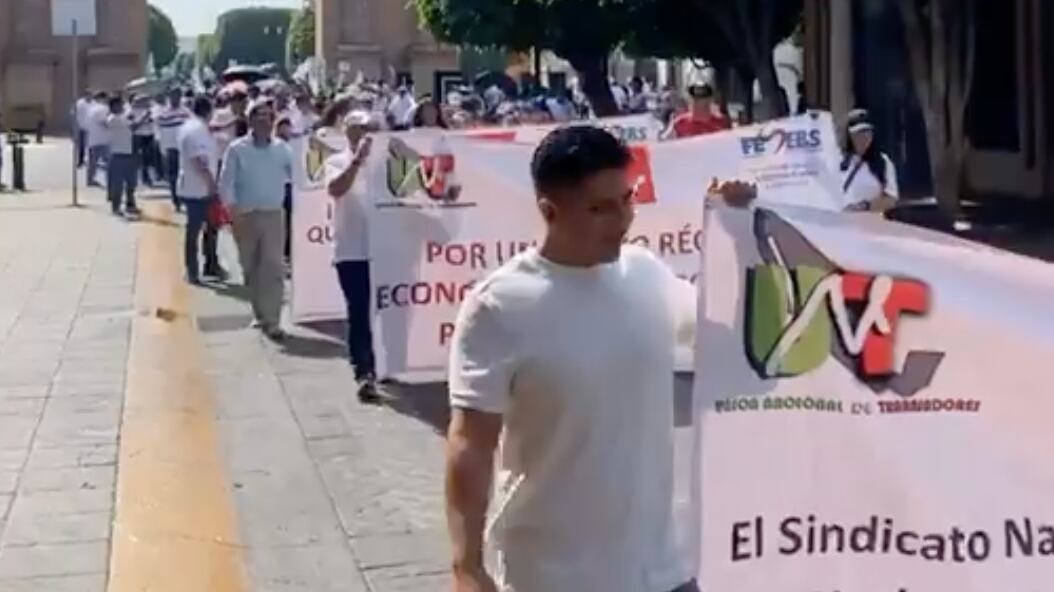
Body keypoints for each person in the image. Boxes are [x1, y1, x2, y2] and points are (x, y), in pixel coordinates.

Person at [445, 126, 699, 592]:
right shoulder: (499, 305)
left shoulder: (646, 274)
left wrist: (738, 226)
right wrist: (466, 565)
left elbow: (734, 333)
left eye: (627, 199)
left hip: (661, 570)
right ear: (549, 211)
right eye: (600, 208)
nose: (622, 219)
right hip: (552, 574)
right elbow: (471, 444)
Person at [219, 102, 293, 341]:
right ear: (250, 121)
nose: (264, 121)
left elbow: (298, 174)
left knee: (272, 267)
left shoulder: (283, 149)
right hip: (245, 215)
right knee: (250, 267)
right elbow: (226, 182)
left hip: (273, 214)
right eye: (259, 117)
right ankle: (260, 313)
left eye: (268, 117)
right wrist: (232, 211)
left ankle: (272, 320)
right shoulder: (237, 149)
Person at [324, 111, 379, 403]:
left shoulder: (386, 162)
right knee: (358, 312)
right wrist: (357, 161)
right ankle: (364, 372)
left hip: (384, 250)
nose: (366, 133)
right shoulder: (335, 161)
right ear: (347, 131)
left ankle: (385, 364)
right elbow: (336, 189)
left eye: (371, 128)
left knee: (385, 311)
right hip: (351, 250)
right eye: (359, 128)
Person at [178, 96, 224, 285]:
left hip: (204, 187)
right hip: (197, 189)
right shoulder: (193, 131)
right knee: (194, 230)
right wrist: (212, 184)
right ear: (208, 110)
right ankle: (192, 270)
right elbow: (198, 160)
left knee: (212, 228)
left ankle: (211, 265)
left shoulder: (200, 128)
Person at [839, 109, 898, 213]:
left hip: (872, 226)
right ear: (850, 136)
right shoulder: (838, 160)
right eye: (859, 133)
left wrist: (864, 206)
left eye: (868, 132)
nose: (864, 137)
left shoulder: (883, 161)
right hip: (843, 225)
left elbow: (891, 199)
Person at [104, 96, 140, 217]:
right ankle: (116, 207)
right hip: (118, 154)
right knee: (117, 184)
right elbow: (134, 126)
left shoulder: (122, 118)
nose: (122, 107)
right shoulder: (113, 119)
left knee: (131, 182)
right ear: (114, 106)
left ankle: (130, 204)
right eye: (119, 105)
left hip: (128, 153)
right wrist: (145, 117)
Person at [158, 89, 191, 212]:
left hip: (183, 148)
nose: (175, 99)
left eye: (177, 96)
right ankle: (176, 200)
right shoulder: (163, 113)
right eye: (172, 96)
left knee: (184, 174)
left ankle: (184, 197)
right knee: (173, 175)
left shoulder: (186, 112)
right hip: (170, 147)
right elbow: (160, 131)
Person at [663, 84, 730, 140]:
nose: (695, 102)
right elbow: (664, 144)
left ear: (709, 101)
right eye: (693, 98)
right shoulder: (679, 123)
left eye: (700, 98)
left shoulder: (722, 123)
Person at [86, 92, 111, 187]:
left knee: (93, 161)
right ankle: (110, 180)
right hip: (103, 139)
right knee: (109, 161)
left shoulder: (90, 108)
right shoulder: (103, 109)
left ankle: (90, 179)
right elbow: (104, 122)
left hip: (93, 138)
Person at [130, 95, 156, 187]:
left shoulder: (150, 110)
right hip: (138, 136)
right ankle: (141, 177)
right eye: (140, 101)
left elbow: (154, 121)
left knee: (148, 158)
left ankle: (147, 177)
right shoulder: (131, 112)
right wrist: (144, 118)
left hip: (149, 135)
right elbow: (133, 126)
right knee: (139, 158)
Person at [75, 92, 92, 168]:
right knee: (81, 145)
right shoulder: (80, 103)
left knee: (91, 145)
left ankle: (91, 161)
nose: (89, 97)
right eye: (87, 95)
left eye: (90, 95)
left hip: (91, 127)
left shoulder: (93, 103)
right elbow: (76, 113)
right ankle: (80, 160)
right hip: (82, 126)